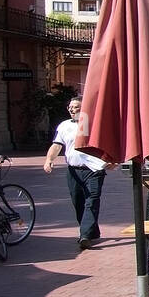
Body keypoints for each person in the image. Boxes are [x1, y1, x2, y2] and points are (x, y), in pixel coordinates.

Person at [44, 98, 111, 250]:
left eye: (76, 107)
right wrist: (49, 160)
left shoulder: (93, 124)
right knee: (78, 201)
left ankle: (85, 235)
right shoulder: (64, 126)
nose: (72, 109)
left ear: (84, 108)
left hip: (94, 169)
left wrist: (112, 159)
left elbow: (106, 142)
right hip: (73, 170)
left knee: (92, 200)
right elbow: (56, 145)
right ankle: (91, 231)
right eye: (70, 107)